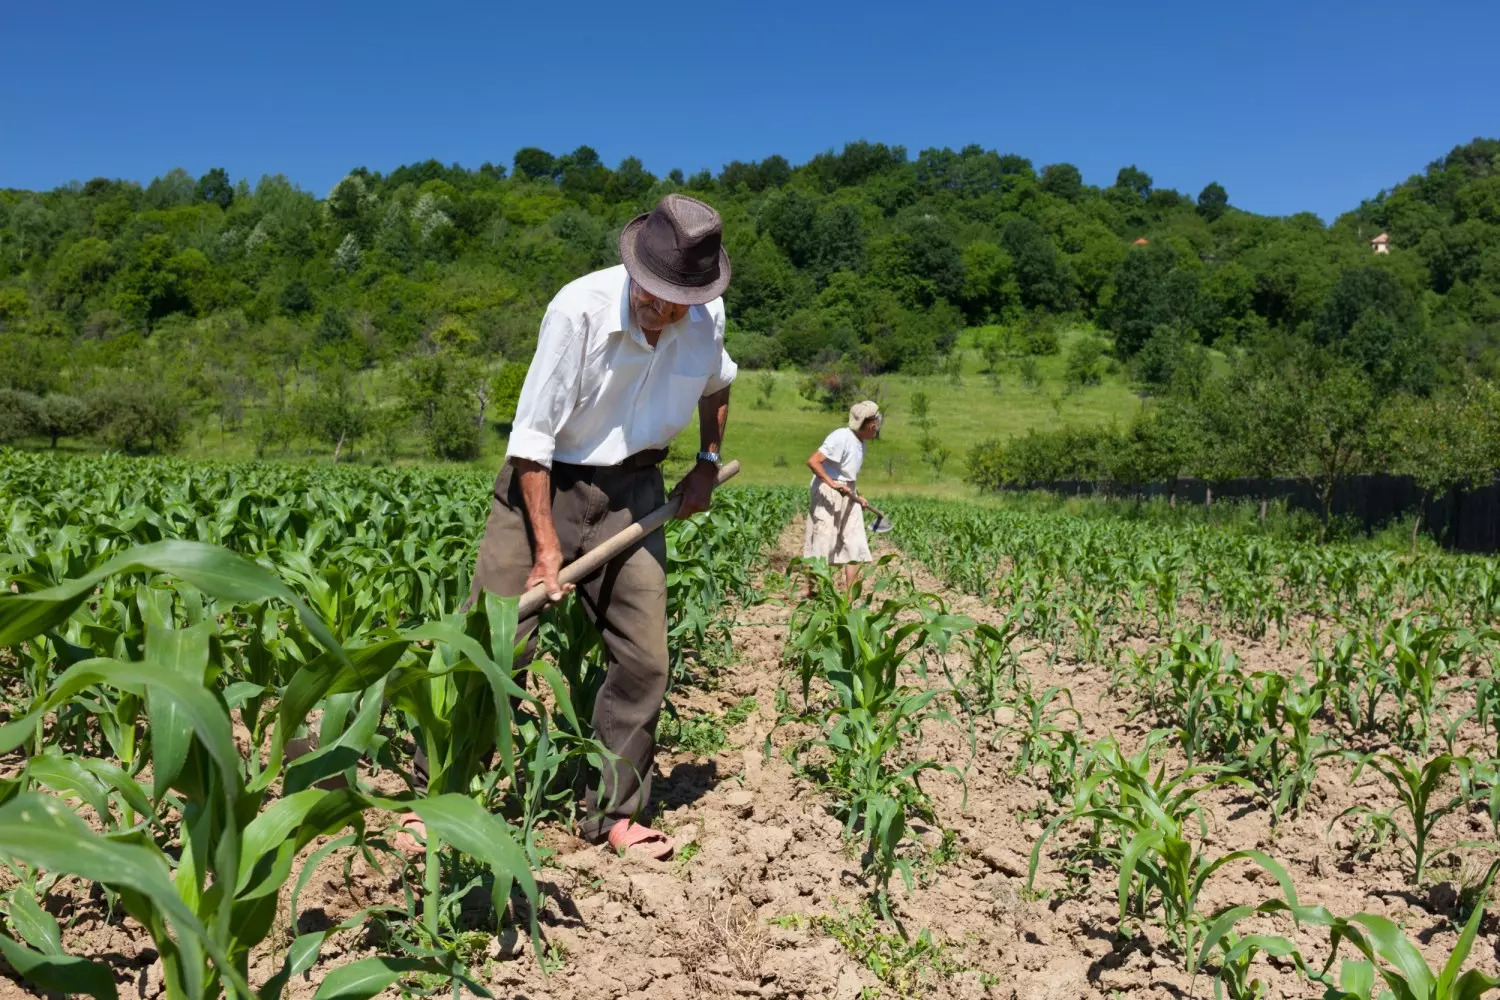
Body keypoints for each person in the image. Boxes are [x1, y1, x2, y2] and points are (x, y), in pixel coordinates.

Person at [398, 194, 736, 861]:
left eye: (679, 300)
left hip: (637, 491)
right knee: (494, 642)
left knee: (645, 660)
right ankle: (437, 792)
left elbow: (718, 385)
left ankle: (614, 813)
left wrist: (705, 461)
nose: (664, 309)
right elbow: (532, 438)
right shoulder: (577, 309)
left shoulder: (706, 316)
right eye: (655, 292)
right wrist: (546, 545)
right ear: (635, 268)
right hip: (544, 485)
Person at [801, 401, 881, 596]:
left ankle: (850, 598)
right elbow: (813, 461)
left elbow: (847, 474)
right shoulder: (840, 437)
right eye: (878, 422)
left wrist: (858, 496)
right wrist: (831, 483)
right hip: (827, 491)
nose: (879, 426)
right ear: (871, 424)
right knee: (823, 541)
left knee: (855, 543)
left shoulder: (860, 444)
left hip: (847, 491)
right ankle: (811, 590)